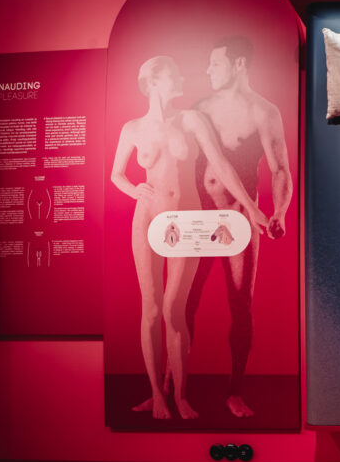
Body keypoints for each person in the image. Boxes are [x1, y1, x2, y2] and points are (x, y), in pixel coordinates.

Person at [111, 55, 268, 420]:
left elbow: (222, 165)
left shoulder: (192, 120)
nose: (182, 78)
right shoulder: (132, 128)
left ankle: (180, 397)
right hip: (147, 218)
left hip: (186, 220)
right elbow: (116, 174)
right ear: (153, 82)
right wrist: (135, 191)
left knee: (174, 309)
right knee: (150, 309)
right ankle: (157, 395)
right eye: (174, 74)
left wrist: (251, 206)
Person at [184, 35, 293, 418]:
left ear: (239, 64)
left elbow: (281, 169)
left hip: (239, 218)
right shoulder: (200, 108)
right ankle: (169, 388)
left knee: (241, 305)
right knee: (183, 303)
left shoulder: (263, 112)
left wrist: (279, 211)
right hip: (197, 218)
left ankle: (235, 391)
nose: (208, 70)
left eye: (215, 63)